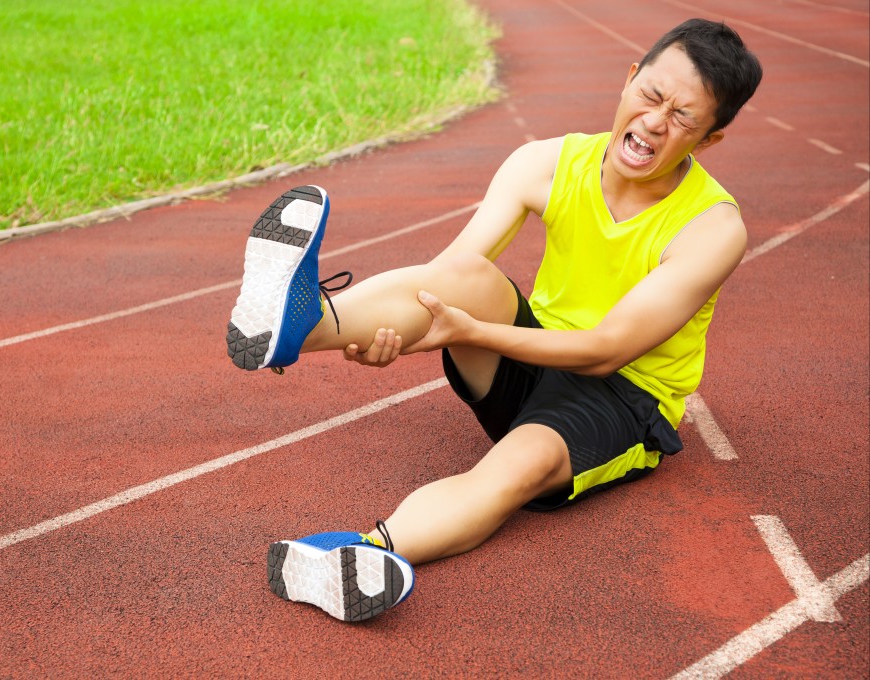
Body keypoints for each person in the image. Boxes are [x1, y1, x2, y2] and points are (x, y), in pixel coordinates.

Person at [226, 18, 762, 623]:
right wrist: (387, 333)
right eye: (651, 95)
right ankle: (300, 325)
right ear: (630, 78)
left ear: (709, 139)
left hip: (622, 396)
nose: (655, 122)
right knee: (467, 275)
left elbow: (608, 349)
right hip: (531, 351)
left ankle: (362, 552)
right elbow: (446, 275)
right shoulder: (545, 162)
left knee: (519, 467)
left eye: (683, 117)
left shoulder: (712, 229)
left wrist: (471, 333)